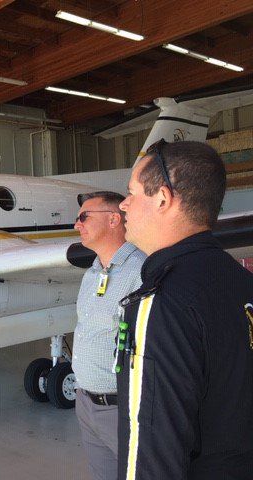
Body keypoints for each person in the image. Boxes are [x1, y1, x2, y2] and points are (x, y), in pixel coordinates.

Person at [116, 140, 253, 479]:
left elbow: (151, 454)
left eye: (132, 193)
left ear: (163, 199)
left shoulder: (161, 301)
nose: (123, 205)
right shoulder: (240, 280)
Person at [72, 191, 145, 480]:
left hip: (121, 408)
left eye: (84, 217)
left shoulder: (141, 271)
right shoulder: (91, 274)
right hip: (85, 403)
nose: (77, 224)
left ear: (114, 219)